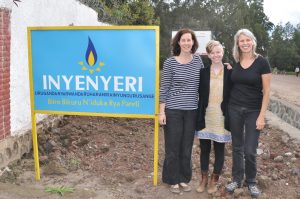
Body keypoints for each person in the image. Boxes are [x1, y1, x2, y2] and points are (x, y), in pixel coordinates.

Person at [225, 29, 271, 198]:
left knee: (250, 149)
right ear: (238, 44)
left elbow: (266, 92)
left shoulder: (262, 63)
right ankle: (237, 179)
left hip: (253, 110)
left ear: (253, 42)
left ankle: (251, 181)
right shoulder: (235, 62)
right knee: (237, 147)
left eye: (247, 40)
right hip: (234, 108)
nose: (244, 43)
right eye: (241, 41)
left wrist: (261, 116)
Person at [158, 28, 204, 194]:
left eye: (189, 40)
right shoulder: (170, 62)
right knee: (172, 147)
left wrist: (225, 67)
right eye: (183, 40)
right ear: (178, 42)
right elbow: (164, 88)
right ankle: (172, 179)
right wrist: (161, 112)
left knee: (186, 147)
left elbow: (204, 83)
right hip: (173, 111)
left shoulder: (198, 61)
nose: (186, 43)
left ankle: (184, 178)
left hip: (191, 111)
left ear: (193, 42)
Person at [195, 40, 232, 194]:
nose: (216, 55)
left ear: (222, 52)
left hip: (222, 116)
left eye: (218, 52)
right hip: (206, 114)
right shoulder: (203, 72)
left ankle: (214, 180)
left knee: (219, 149)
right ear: (208, 55)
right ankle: (203, 178)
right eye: (212, 52)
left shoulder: (230, 71)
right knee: (204, 149)